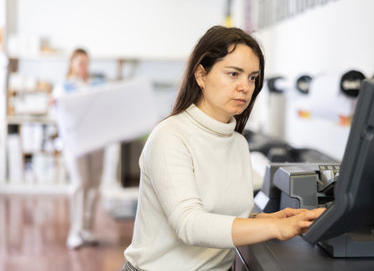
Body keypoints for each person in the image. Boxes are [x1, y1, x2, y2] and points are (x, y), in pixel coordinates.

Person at [122, 26, 325, 270]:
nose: (245, 87)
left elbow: (224, 217)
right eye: (233, 74)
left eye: (252, 77)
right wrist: (275, 228)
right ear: (201, 75)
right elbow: (189, 224)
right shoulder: (170, 136)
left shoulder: (238, 143)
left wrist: (267, 219)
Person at [52, 48, 105, 250]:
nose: (84, 67)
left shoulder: (98, 85)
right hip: (75, 144)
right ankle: (75, 231)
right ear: (72, 64)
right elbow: (58, 112)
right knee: (79, 183)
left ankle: (86, 229)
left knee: (94, 184)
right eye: (80, 62)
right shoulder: (63, 87)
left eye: (86, 62)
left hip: (97, 141)